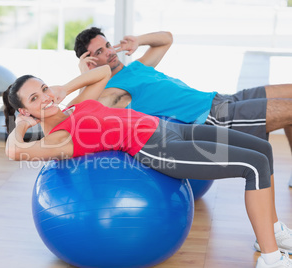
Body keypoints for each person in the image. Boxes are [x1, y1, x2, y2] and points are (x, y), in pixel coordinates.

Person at [2, 65, 292, 267]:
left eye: (43, 88)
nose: (46, 97)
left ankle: (271, 228)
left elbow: (103, 73)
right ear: (25, 109)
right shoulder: (61, 138)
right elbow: (14, 151)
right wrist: (22, 125)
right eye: (35, 98)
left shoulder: (75, 107)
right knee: (252, 166)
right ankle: (271, 258)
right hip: (159, 149)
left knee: (262, 149)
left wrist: (63, 88)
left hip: (167, 127)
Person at [73, 27, 292, 187]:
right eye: (99, 52)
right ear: (90, 61)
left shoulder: (136, 67)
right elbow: (84, 111)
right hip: (213, 117)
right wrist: (86, 75)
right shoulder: (112, 91)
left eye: (107, 45)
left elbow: (166, 39)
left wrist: (138, 40)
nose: (109, 52)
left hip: (221, 99)